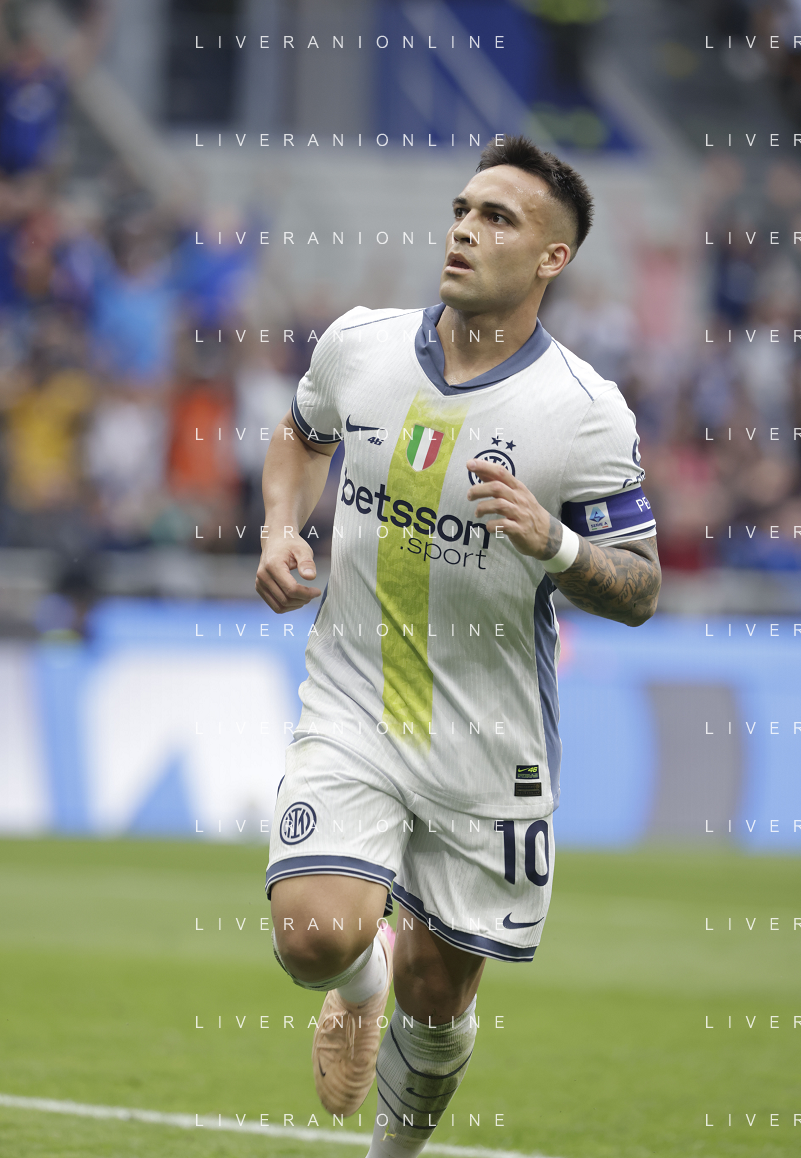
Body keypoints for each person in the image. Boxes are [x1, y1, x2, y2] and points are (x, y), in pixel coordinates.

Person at [255, 134, 661, 1156]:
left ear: (552, 258)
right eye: (463, 209)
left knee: (437, 1000)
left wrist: (555, 541)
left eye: (498, 218)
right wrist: (278, 527)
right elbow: (300, 434)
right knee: (314, 934)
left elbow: (641, 585)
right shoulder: (360, 345)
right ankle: (358, 983)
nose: (465, 230)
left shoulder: (583, 413)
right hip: (352, 700)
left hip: (487, 737)